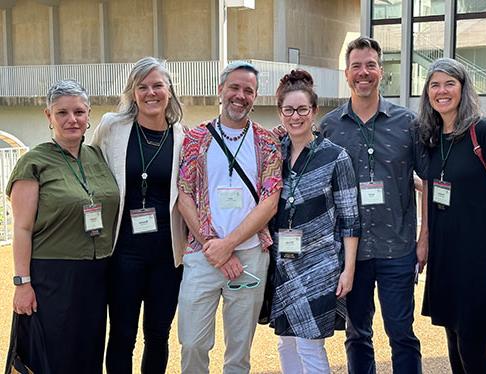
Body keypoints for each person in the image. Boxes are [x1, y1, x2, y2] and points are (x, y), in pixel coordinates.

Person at [319, 36, 428, 373]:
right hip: (351, 254)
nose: (363, 72)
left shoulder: (408, 123)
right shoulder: (329, 127)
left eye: (370, 65)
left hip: (398, 249)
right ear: (346, 74)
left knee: (401, 334)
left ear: (381, 71)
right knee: (357, 334)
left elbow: (430, 181)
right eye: (356, 67)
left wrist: (424, 240)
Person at [7, 80, 120, 373]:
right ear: (48, 116)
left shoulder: (96, 156)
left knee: (90, 351)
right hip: (53, 276)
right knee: (56, 355)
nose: (72, 119)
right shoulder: (34, 163)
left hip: (96, 273)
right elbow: (22, 228)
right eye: (63, 113)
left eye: (79, 112)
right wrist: (22, 283)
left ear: (89, 115)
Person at [177, 61, 282, 374]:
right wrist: (216, 248)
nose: (240, 95)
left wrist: (231, 245)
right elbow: (184, 197)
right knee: (193, 343)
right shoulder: (195, 139)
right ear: (220, 90)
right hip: (202, 255)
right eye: (234, 88)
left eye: (248, 90)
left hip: (250, 255)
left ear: (255, 96)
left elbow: (270, 200)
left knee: (239, 350)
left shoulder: (267, 143)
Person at [418, 58, 486, 374]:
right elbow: (430, 189)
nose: (442, 91)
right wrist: (425, 240)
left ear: (463, 88)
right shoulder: (433, 138)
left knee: (472, 347)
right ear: (427, 93)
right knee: (454, 341)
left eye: (450, 83)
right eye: (435, 84)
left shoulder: (484, 132)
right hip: (447, 255)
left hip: (482, 256)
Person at [91, 56, 187, 374]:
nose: (150, 93)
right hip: (123, 253)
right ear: (133, 93)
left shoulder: (183, 137)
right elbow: (90, 170)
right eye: (142, 86)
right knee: (121, 336)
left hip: (167, 256)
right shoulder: (112, 127)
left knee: (158, 336)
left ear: (169, 91)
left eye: (157, 85)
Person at [269, 69, 360, 373]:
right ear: (280, 111)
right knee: (286, 341)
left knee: (310, 343)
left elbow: (350, 218)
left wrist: (348, 270)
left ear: (314, 111)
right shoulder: (273, 155)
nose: (295, 117)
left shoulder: (336, 157)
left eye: (302, 109)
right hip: (282, 264)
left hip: (320, 265)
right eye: (288, 110)